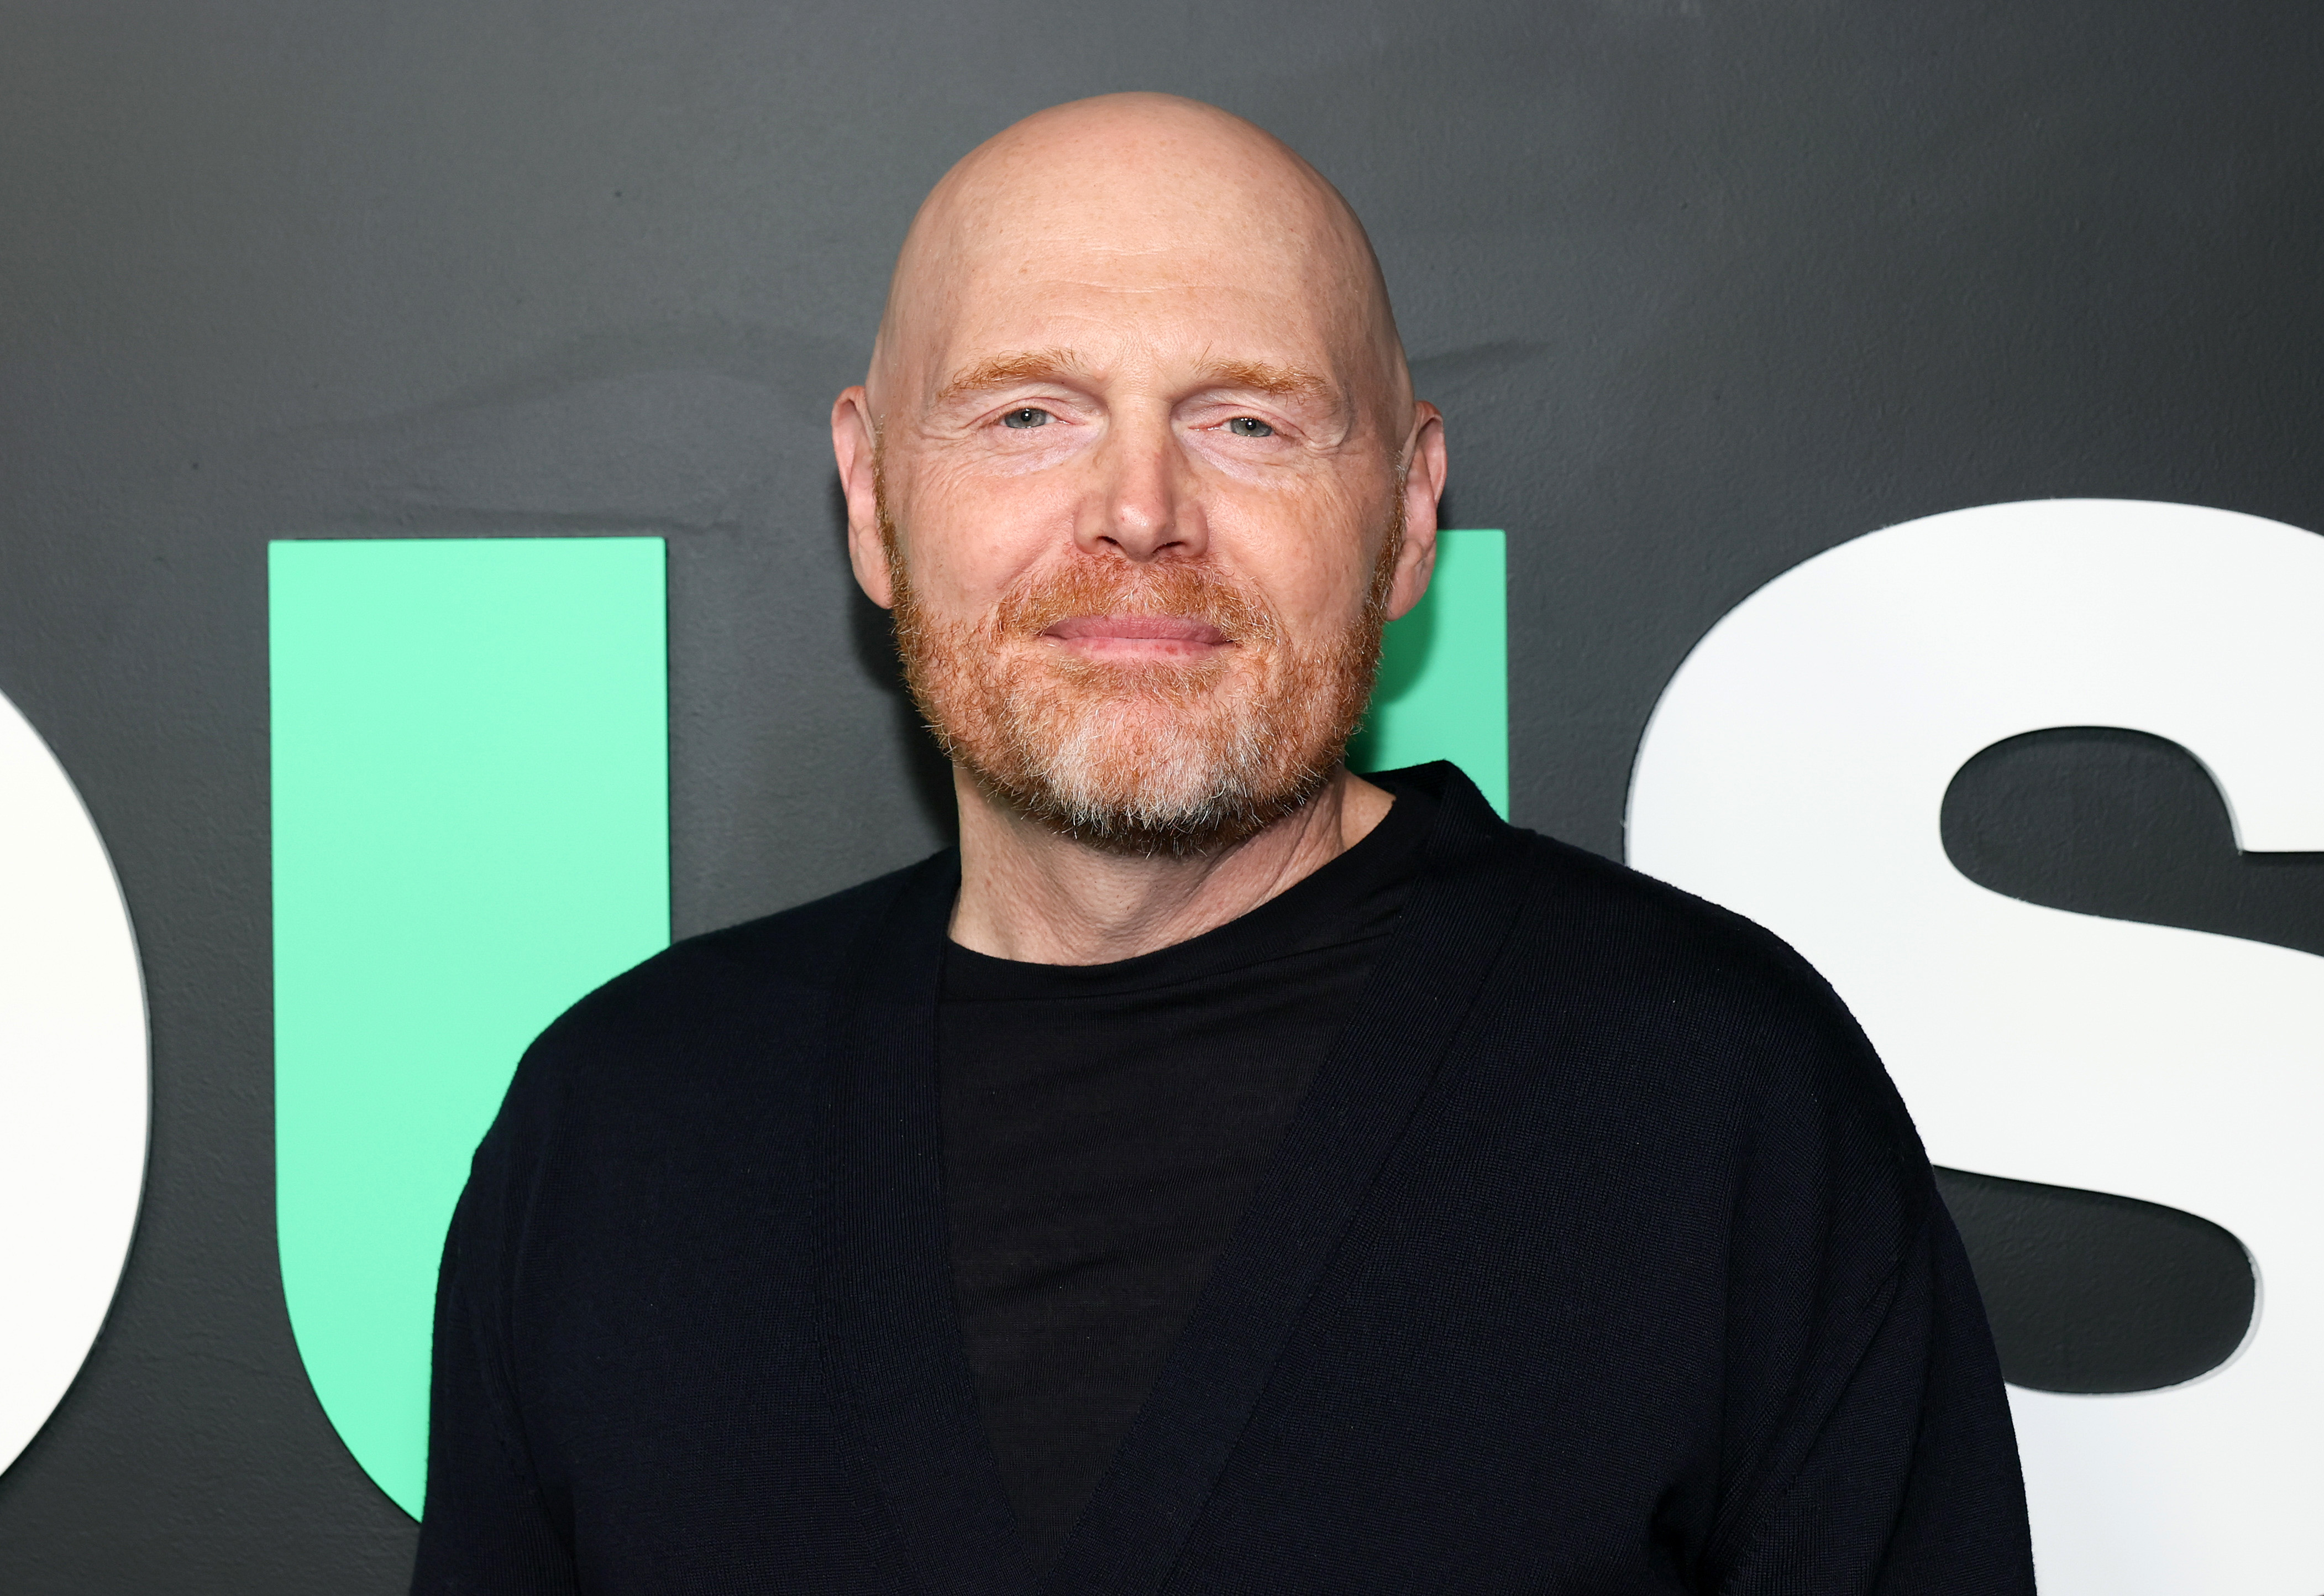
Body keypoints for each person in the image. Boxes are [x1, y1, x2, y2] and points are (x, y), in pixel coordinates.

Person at [412, 93, 2033, 1594]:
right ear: (869, 494)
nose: (1137, 510)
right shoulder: (621, 1127)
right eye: (1028, 413)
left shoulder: (1715, 1099)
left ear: (1404, 515)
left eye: (1248, 423)